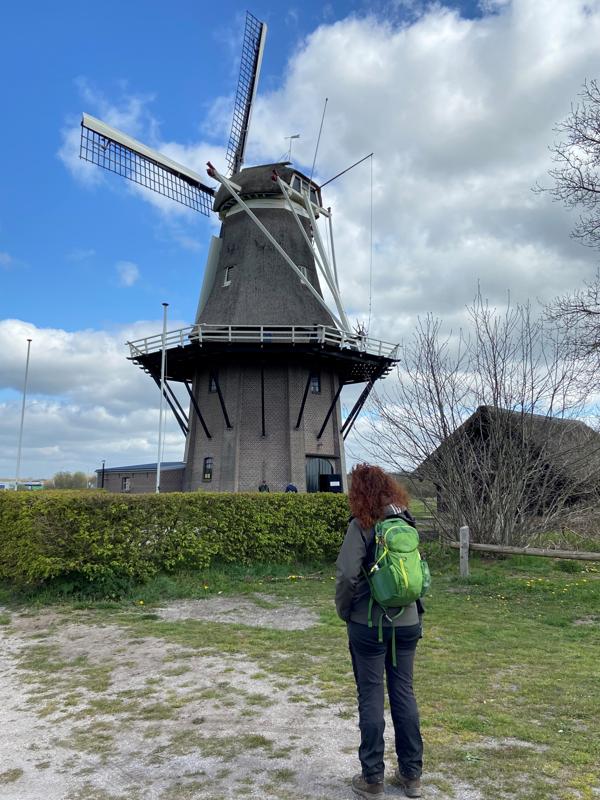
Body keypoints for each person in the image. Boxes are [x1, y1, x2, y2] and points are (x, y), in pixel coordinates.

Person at [335, 464, 423, 799]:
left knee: (371, 696)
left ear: (358, 494)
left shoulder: (362, 526)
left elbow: (346, 576)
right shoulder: (405, 521)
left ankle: (373, 778)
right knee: (404, 693)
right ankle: (412, 775)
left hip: (369, 625)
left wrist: (345, 611)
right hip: (407, 623)